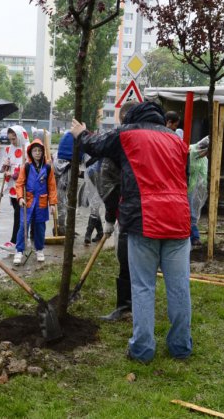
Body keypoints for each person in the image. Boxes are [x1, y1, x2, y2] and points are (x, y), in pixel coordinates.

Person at [72, 101, 192, 364]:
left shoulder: (127, 134)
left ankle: (142, 348)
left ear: (132, 117)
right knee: (179, 286)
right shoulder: (176, 140)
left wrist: (81, 132)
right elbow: (185, 176)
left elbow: (95, 144)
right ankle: (181, 346)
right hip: (178, 220)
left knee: (143, 287)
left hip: (143, 220)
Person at [98, 99, 138, 322]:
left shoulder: (118, 141)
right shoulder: (159, 138)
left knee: (126, 259)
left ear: (122, 119)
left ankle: (126, 307)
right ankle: (137, 306)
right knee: (142, 263)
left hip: (130, 214)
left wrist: (110, 217)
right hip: (163, 214)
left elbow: (108, 185)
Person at [14, 139, 58, 265]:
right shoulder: (26, 167)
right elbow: (19, 184)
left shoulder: (48, 168)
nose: (37, 153)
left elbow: (52, 187)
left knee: (40, 227)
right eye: (35, 150)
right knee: (23, 226)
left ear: (43, 152)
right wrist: (20, 197)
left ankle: (39, 249)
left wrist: (53, 204)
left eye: (39, 150)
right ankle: (19, 251)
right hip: (27, 202)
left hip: (42, 203)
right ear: (31, 152)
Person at [0, 125, 29, 252]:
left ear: (20, 136)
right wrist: (4, 166)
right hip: (12, 187)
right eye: (10, 139)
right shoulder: (9, 149)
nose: (12, 142)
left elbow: (29, 168)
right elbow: (2, 165)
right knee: (18, 213)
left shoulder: (28, 149)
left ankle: (15, 241)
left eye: (14, 139)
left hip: (24, 187)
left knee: (20, 214)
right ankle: (21, 239)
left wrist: (15, 174)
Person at [54, 130, 83, 236]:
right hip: (62, 189)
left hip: (61, 189)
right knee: (65, 206)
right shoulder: (70, 165)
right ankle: (62, 229)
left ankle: (65, 227)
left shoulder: (58, 158)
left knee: (64, 205)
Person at [188, 136, 209, 247]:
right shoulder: (192, 150)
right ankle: (193, 237)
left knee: (195, 213)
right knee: (191, 214)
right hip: (190, 188)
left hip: (200, 189)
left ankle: (194, 237)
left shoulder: (204, 158)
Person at [83, 158, 104, 245]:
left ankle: (88, 234)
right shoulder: (93, 164)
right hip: (92, 178)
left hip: (101, 179)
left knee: (95, 208)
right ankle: (100, 232)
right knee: (94, 209)